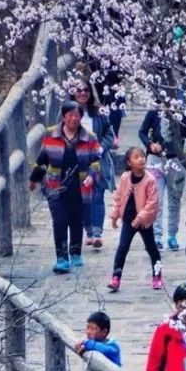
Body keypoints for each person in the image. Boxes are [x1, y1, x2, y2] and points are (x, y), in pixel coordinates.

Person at [29, 99, 101, 274]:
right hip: (55, 184)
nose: (74, 119)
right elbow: (42, 159)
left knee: (76, 220)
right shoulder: (50, 134)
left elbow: (96, 162)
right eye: (70, 115)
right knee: (59, 221)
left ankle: (75, 251)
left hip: (80, 185)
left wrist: (92, 177)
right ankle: (61, 257)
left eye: (77, 115)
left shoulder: (90, 137)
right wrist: (34, 179)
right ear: (63, 116)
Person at [108, 146, 164, 292]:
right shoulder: (125, 178)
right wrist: (114, 216)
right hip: (128, 219)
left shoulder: (149, 180)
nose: (141, 159)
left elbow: (152, 202)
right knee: (122, 247)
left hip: (144, 222)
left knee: (151, 248)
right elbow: (118, 198)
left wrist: (140, 218)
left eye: (143, 156)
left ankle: (157, 275)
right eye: (137, 157)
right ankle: (116, 277)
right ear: (129, 162)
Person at [138, 106, 186, 251]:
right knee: (156, 200)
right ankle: (156, 236)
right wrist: (150, 144)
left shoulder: (182, 110)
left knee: (175, 200)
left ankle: (172, 235)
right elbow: (142, 132)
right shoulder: (153, 111)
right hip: (155, 160)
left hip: (176, 160)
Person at [71, 77, 115, 249]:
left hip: (98, 159)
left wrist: (101, 148)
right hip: (77, 160)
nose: (82, 93)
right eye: (78, 90)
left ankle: (97, 233)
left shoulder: (99, 113)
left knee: (97, 195)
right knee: (83, 197)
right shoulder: (67, 113)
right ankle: (88, 231)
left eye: (86, 90)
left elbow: (109, 135)